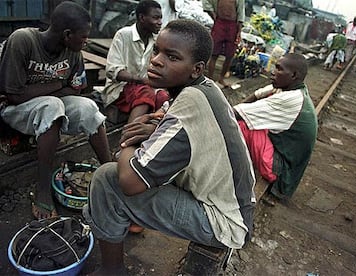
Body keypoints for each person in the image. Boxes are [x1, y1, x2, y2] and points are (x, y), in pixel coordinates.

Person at [82, 19, 256, 275]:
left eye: (172, 57)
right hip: (235, 204)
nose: (156, 60)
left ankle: (112, 270)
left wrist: (128, 142)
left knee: (108, 179)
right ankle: (120, 222)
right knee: (139, 165)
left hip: (224, 222)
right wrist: (153, 130)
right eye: (157, 51)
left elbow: (130, 183)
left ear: (196, 69)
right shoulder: (205, 88)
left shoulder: (189, 103)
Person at [0, 1, 112, 219]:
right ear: (67, 34)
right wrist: (59, 86)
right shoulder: (24, 40)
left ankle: (110, 173)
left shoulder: (73, 52)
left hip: (47, 105)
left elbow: (77, 90)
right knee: (53, 105)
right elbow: (13, 94)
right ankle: (43, 190)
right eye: (84, 36)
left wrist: (46, 90)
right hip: (13, 111)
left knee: (89, 107)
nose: (87, 41)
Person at [233, 53, 318, 201]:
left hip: (280, 173)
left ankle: (229, 166)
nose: (273, 71)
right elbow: (256, 95)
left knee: (244, 125)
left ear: (293, 75)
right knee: (253, 116)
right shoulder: (294, 90)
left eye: (279, 69)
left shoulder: (290, 99)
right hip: (283, 164)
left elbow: (236, 113)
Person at [101, 0, 169, 124]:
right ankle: (128, 137)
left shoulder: (156, 40)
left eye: (160, 18)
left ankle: (152, 134)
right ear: (142, 18)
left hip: (145, 88)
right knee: (146, 93)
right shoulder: (123, 35)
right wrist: (142, 80)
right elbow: (113, 71)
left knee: (164, 97)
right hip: (120, 89)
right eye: (155, 18)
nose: (160, 23)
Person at [202, 0, 245, 88]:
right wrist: (214, 16)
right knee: (214, 54)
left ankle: (221, 79)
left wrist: (239, 32)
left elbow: (241, 12)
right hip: (220, 23)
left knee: (230, 55)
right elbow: (206, 2)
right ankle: (209, 79)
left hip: (233, 25)